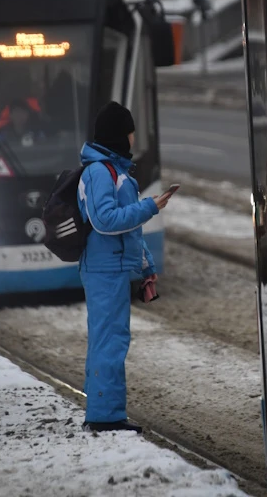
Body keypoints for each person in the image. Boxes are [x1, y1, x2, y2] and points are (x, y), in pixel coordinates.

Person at [77, 101, 173, 433]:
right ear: (119, 135)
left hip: (113, 268)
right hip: (104, 270)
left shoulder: (115, 172)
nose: (133, 140)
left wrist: (146, 266)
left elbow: (129, 230)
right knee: (110, 340)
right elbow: (105, 221)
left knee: (109, 338)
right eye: (130, 133)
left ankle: (102, 409)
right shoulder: (99, 172)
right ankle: (105, 417)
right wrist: (150, 207)